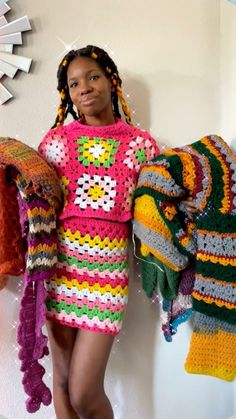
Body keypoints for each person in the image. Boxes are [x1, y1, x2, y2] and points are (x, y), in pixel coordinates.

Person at [38, 45, 160, 419]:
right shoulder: (56, 143)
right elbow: (36, 199)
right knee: (61, 382)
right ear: (68, 96)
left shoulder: (140, 146)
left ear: (111, 81)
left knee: (85, 392)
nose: (85, 87)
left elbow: (156, 206)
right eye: (74, 84)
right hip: (59, 270)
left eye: (92, 76)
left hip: (106, 278)